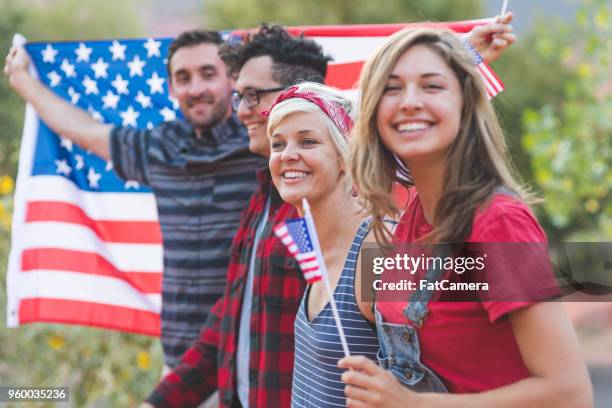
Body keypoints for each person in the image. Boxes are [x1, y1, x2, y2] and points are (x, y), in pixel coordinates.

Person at [143, 18, 517, 408]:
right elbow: (229, 321)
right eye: (239, 98)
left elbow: (444, 356)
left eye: (254, 96)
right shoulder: (266, 203)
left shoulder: (381, 245)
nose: (241, 111)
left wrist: (463, 62)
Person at [340, 27, 594, 407]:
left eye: (432, 86)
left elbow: (570, 394)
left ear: (466, 104)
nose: (409, 101)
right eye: (391, 88)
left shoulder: (497, 222)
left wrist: (411, 404)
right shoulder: (413, 215)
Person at [3, 30, 265, 370]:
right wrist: (24, 82)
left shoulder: (264, 146)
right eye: (183, 78)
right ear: (171, 89)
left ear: (233, 80)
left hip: (250, 362)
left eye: (208, 73)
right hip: (180, 360)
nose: (196, 88)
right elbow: (85, 131)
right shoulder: (161, 147)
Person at [265, 83, 379, 408]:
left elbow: (433, 375)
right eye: (277, 144)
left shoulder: (377, 249)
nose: (287, 155)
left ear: (345, 158)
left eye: (308, 141)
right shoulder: (307, 238)